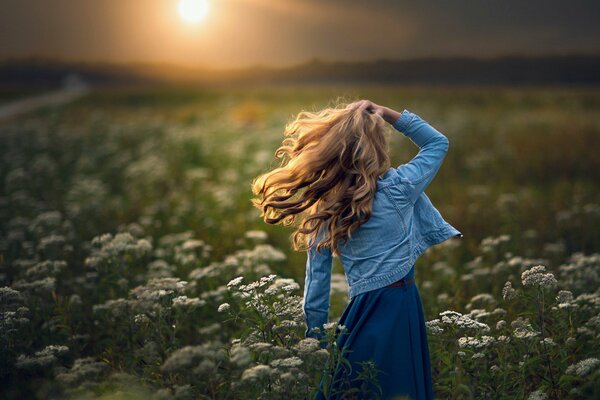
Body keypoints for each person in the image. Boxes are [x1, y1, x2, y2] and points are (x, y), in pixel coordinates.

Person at [251, 99, 463, 399]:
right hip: (401, 302)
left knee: (355, 386)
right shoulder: (400, 187)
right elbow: (437, 143)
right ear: (377, 146)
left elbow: (316, 289)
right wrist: (386, 113)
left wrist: (316, 340)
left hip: (361, 311)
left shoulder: (325, 209)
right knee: (398, 386)